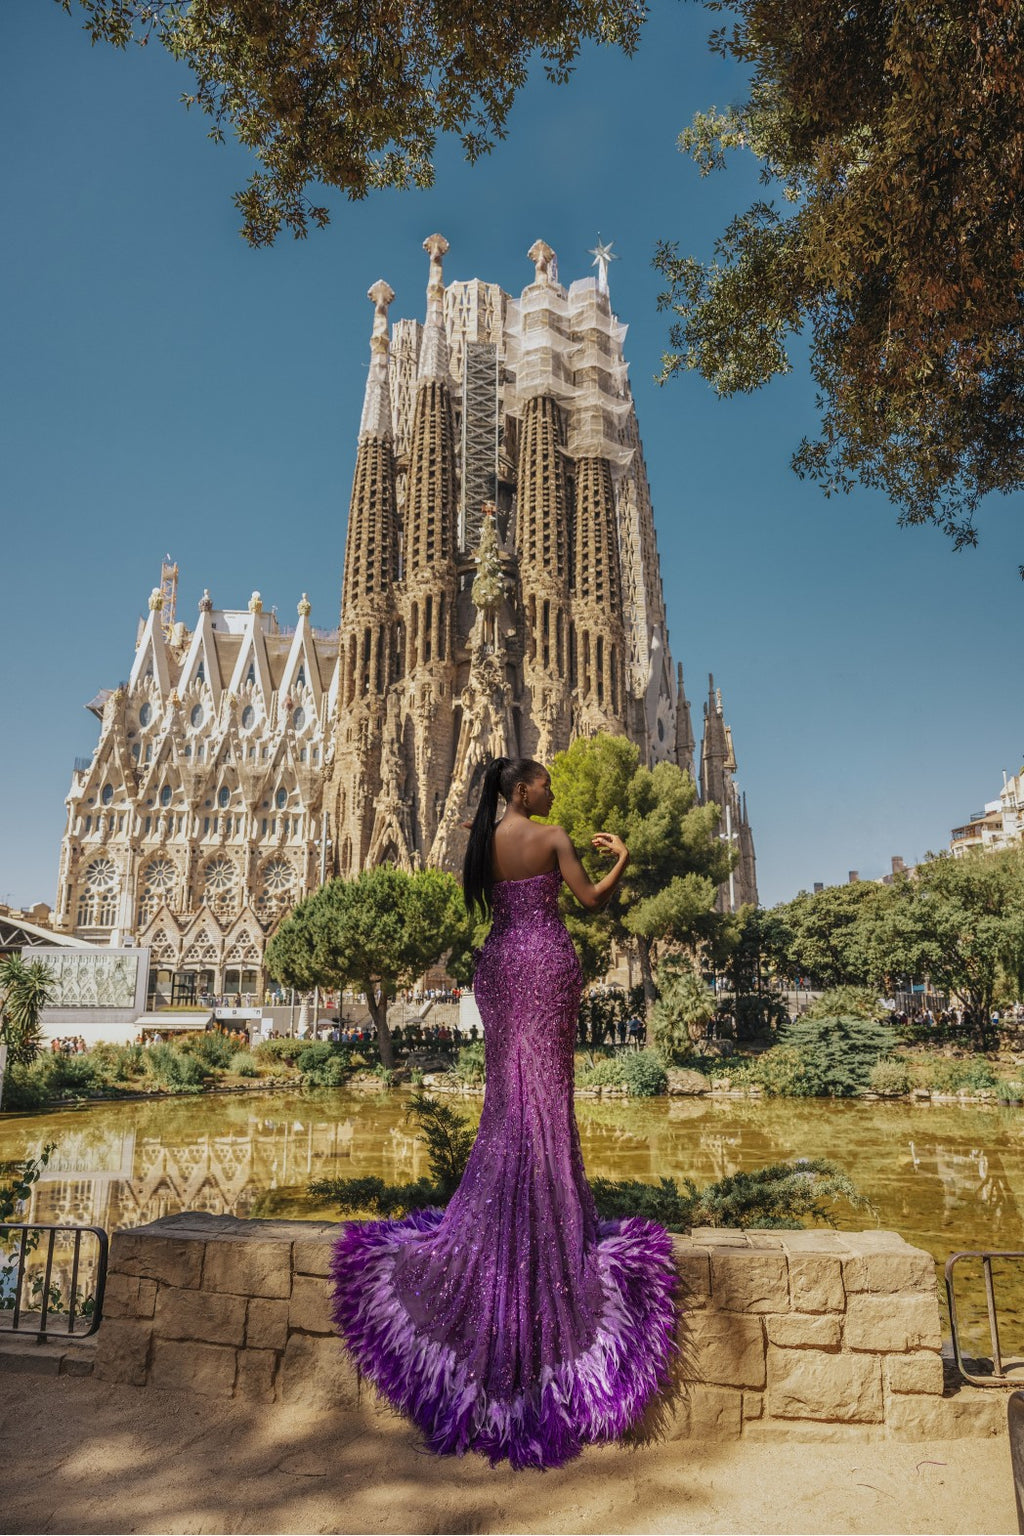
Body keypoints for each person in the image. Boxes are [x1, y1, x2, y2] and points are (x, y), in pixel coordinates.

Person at [330, 756, 676, 1469]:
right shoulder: (550, 838)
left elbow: (486, 906)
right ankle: (552, 1221)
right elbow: (589, 903)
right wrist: (624, 862)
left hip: (498, 966)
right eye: (544, 782)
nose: (551, 790)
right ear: (523, 791)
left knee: (508, 1100)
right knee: (546, 1098)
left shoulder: (481, 846)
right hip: (545, 962)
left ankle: (500, 1219)